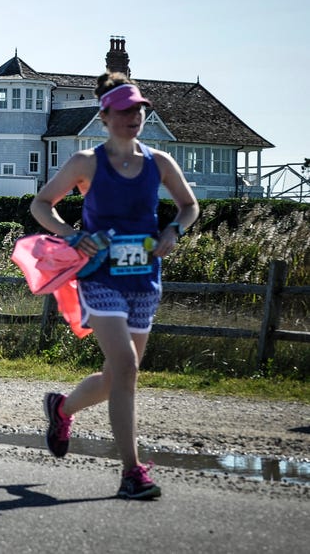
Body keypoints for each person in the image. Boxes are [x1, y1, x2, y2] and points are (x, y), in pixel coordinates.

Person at [29, 72, 199, 500]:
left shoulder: (159, 162)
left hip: (144, 279)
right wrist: (70, 234)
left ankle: (62, 408)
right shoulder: (87, 162)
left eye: (138, 109)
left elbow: (189, 205)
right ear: (104, 116)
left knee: (118, 376)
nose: (133, 117)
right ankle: (132, 473)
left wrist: (173, 232)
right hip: (100, 276)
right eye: (123, 110)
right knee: (124, 367)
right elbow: (41, 204)